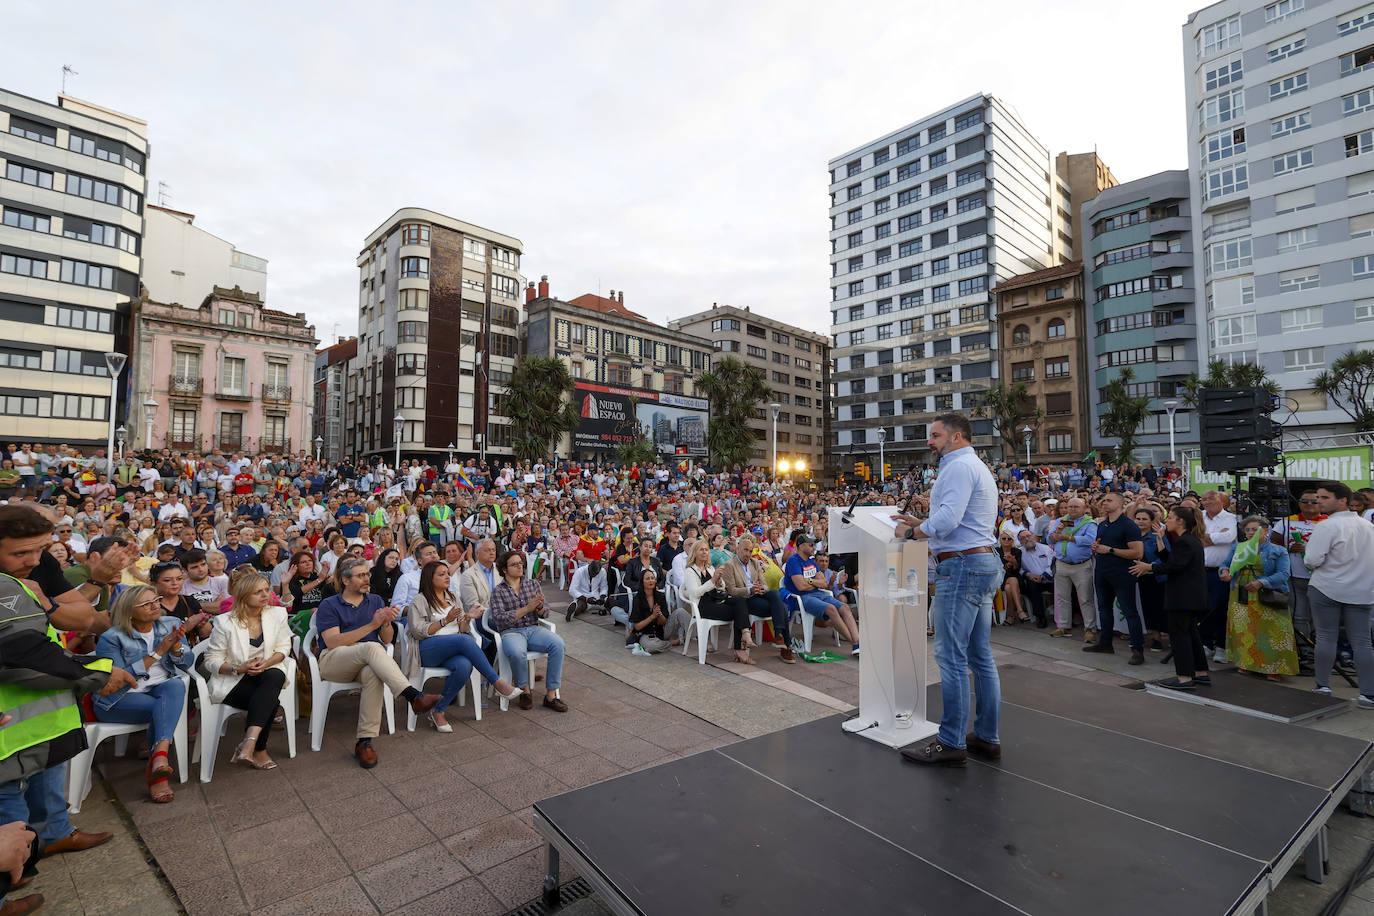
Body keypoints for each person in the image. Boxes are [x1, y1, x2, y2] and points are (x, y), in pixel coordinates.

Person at [892, 413, 1001, 767]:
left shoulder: (956, 466)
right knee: (979, 656)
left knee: (951, 656)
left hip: (963, 566)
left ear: (955, 437)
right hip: (981, 561)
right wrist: (921, 523)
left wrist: (911, 533)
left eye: (935, 435)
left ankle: (951, 740)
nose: (930, 441)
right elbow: (952, 519)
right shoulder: (977, 466)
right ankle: (986, 736)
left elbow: (949, 520)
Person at [314, 557, 441, 768]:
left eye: (367, 574)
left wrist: (385, 623)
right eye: (360, 575)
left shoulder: (375, 600)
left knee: (374, 673)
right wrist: (372, 624)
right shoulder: (329, 604)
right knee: (372, 647)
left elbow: (388, 639)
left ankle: (364, 742)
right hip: (334, 660)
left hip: (367, 663)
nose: (367, 579)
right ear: (345, 580)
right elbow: (333, 642)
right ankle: (412, 695)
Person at [93, 586, 201, 803]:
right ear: (128, 610)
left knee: (175, 686)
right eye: (146, 604)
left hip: (160, 690)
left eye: (157, 600)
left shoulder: (168, 624)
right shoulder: (112, 638)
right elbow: (116, 681)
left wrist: (177, 647)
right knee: (161, 709)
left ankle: (160, 757)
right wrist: (158, 652)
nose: (155, 606)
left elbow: (187, 662)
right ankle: (158, 774)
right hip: (119, 698)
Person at [403, 561, 518, 731]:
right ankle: (497, 682)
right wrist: (445, 621)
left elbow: (462, 629)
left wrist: (468, 618)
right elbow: (418, 632)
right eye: (441, 574)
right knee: (464, 641)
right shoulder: (419, 601)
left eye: (447, 573)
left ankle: (438, 711)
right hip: (427, 649)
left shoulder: (453, 598)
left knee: (464, 666)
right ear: (429, 578)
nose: (447, 577)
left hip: (452, 646)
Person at [200, 572, 293, 769]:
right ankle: (258, 749)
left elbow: (284, 648)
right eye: (257, 592)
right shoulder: (224, 621)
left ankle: (249, 743)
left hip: (266, 674)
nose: (265, 595)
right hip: (233, 681)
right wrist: (238, 668)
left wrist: (265, 664)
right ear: (243, 596)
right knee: (270, 699)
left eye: (266, 590)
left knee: (275, 674)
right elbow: (211, 660)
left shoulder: (277, 614)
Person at [1304, 481, 1374, 706]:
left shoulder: (1326, 527)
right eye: (1318, 497)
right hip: (1362, 589)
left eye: (1324, 498)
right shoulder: (1368, 526)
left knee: (1326, 637)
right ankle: (1368, 694)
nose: (1318, 502)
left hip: (1327, 587)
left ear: (1342, 500)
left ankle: (1323, 686)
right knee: (1362, 642)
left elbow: (1312, 560)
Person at [1132, 506, 1211, 690]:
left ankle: (1184, 677)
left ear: (1180, 521)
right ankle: (1201, 672)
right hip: (1190, 596)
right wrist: (1160, 540)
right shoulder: (1187, 541)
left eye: (1171, 518)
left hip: (1183, 597)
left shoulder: (1185, 542)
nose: (1166, 520)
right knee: (1190, 633)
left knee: (1180, 636)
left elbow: (1174, 567)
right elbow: (1171, 560)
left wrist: (1148, 567)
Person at [485, 550, 568, 711]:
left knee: (558, 644)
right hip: (511, 631)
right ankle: (524, 690)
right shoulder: (498, 591)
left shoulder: (533, 584)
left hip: (532, 628)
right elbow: (499, 618)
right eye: (514, 564)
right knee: (517, 652)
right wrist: (526, 608)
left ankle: (551, 695)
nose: (519, 567)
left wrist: (540, 608)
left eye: (520, 563)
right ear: (505, 569)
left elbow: (547, 611)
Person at [1219, 516, 1295, 679]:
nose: (1250, 532)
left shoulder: (1278, 550)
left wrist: (1262, 582)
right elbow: (1225, 564)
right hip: (1241, 592)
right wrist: (1225, 572)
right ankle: (1246, 664)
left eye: (1255, 529)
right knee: (1244, 630)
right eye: (1247, 530)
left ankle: (1272, 668)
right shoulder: (1239, 547)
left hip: (1266, 594)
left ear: (1266, 531)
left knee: (1270, 632)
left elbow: (1283, 574)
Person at [1084, 491, 1145, 665]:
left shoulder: (1129, 525)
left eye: (1109, 500)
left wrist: (1110, 550)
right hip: (1102, 572)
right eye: (1104, 500)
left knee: (1129, 611)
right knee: (1104, 609)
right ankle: (1105, 643)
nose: (1104, 503)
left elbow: (1138, 552)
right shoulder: (1103, 524)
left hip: (1122, 574)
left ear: (1120, 503)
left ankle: (1137, 650)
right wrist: (1097, 547)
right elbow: (1102, 546)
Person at [1272, 489, 1325, 674]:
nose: (1309, 505)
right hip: (1297, 578)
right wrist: (1288, 547)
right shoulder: (1286, 522)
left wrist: (1309, 548)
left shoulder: (1329, 522)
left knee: (1321, 618)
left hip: (1323, 578)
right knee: (1300, 616)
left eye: (1314, 501)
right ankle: (1304, 654)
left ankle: (1324, 654)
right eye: (1305, 501)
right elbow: (1273, 544)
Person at [720, 534, 796, 663]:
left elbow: (764, 583)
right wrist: (750, 590)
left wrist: (761, 588)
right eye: (745, 550)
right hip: (745, 599)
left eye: (750, 551)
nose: (748, 554)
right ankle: (784, 644)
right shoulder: (730, 565)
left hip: (759, 594)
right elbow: (731, 590)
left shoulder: (754, 563)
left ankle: (779, 636)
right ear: (738, 548)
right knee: (782, 607)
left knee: (775, 594)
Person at [779, 535, 859, 654]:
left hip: (817, 594)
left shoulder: (812, 561)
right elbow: (801, 587)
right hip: (801, 598)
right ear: (801, 546)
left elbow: (824, 582)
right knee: (831, 609)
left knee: (845, 607)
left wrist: (810, 581)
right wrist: (816, 583)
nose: (814, 547)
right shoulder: (793, 561)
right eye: (810, 544)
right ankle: (855, 644)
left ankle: (858, 642)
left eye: (814, 544)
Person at [683, 539, 757, 665]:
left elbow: (721, 588)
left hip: (716, 601)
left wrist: (719, 582)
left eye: (706, 549)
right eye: (701, 549)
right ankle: (740, 647)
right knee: (738, 611)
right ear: (694, 552)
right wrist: (712, 581)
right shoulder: (691, 571)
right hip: (702, 607)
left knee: (740, 601)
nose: (705, 552)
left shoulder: (709, 567)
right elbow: (694, 593)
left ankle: (744, 634)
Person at [1048, 497, 1097, 639]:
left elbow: (1090, 540)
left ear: (1083, 508)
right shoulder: (1061, 521)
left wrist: (1069, 538)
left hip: (1081, 566)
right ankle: (1064, 627)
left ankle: (1090, 628)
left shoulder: (1089, 523)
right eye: (1070, 507)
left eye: (1076, 507)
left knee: (1086, 598)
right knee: (1062, 597)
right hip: (1062, 563)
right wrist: (1055, 535)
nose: (1072, 509)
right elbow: (1048, 539)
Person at [1199, 489, 1238, 663]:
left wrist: (1206, 538)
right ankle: (1206, 643)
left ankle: (1221, 646)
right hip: (1200, 571)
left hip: (1221, 572)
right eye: (1204, 499)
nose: (1207, 502)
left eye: (1211, 498)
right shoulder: (1199, 516)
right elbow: (1193, 537)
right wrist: (1216, 536)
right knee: (1202, 608)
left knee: (1220, 609)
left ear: (1221, 500)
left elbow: (1229, 537)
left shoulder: (1230, 518)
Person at [626, 568, 684, 654]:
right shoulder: (638, 599)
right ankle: (670, 643)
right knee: (651, 647)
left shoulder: (660, 596)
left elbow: (663, 622)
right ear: (642, 582)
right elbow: (637, 627)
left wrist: (659, 614)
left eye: (652, 578)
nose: (651, 581)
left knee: (680, 611)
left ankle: (696, 636)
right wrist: (652, 617)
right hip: (646, 634)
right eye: (647, 579)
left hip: (661, 631)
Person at [1016, 529, 1054, 628]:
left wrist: (1043, 576)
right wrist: (1028, 575)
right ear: (1020, 542)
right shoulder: (1020, 552)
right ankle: (1040, 616)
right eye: (1023, 538)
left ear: (1033, 536)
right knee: (1032, 587)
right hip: (1033, 580)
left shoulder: (1046, 549)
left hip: (1050, 579)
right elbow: (1019, 569)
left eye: (1028, 536)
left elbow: (1052, 565)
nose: (1027, 539)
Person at [995, 532, 1026, 625]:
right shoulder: (996, 551)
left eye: (1009, 539)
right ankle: (1020, 611)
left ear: (1012, 540)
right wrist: (1005, 566)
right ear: (1000, 540)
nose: (1006, 541)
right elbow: (997, 569)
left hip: (1016, 578)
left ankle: (1011, 616)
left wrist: (1013, 561)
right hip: (1001, 578)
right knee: (1012, 581)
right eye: (1004, 538)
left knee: (1009, 586)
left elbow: (1017, 568)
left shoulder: (1017, 551)